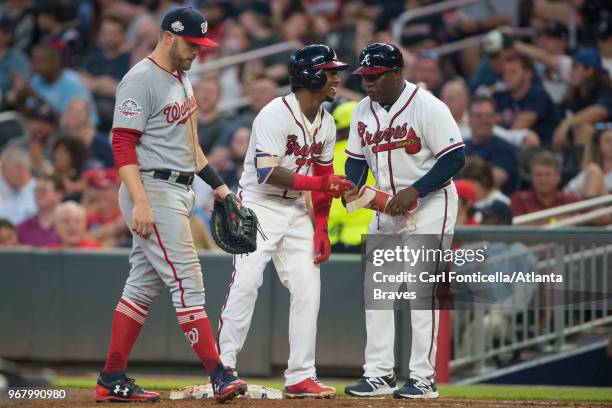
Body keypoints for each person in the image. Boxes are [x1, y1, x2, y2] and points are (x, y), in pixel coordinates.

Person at [96, 7, 247, 403]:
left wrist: (221, 190)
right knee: (188, 278)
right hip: (151, 188)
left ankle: (111, 378)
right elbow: (122, 144)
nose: (197, 51)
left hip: (178, 188)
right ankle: (218, 372)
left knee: (142, 288)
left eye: (201, 44)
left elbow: (190, 147)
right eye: (191, 43)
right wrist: (140, 202)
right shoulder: (140, 79)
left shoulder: (182, 79)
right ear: (167, 37)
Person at [216, 44, 352, 399]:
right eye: (330, 70)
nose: (337, 77)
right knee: (246, 282)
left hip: (295, 211)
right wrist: (319, 184)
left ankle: (301, 375)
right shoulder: (275, 114)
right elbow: (266, 172)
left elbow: (325, 178)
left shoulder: (324, 122)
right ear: (310, 76)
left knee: (309, 287)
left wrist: (321, 227)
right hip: (260, 204)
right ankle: (224, 366)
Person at [343, 43, 464, 399]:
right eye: (365, 76)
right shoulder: (363, 110)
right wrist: (353, 183)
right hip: (385, 206)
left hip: (431, 203)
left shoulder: (428, 106)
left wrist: (418, 190)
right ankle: (379, 374)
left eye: (376, 76)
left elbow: (455, 158)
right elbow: (355, 159)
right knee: (377, 291)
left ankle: (423, 379)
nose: (369, 83)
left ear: (397, 73)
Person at [493, 54, 560, 145]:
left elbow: (516, 131)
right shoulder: (502, 97)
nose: (507, 76)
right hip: (514, 148)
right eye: (505, 72)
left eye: (513, 72)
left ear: (529, 73)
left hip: (542, 151)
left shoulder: (538, 95)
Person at [464, 96, 518, 194]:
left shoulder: (504, 148)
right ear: (469, 119)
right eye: (479, 116)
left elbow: (489, 184)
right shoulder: (461, 147)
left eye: (489, 116)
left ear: (495, 119)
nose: (484, 121)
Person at [511, 150, 579, 224]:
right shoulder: (518, 200)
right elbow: (518, 229)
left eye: (548, 175)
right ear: (532, 177)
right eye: (539, 175)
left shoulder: (571, 201)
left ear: (558, 177)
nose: (543, 180)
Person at [16, 174, 64, 247]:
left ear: (59, 194)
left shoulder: (70, 225)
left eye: (43, 191)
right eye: (36, 191)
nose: (38, 195)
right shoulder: (21, 228)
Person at [565, 123, 612, 198]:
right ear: (598, 145)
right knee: (593, 170)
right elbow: (567, 191)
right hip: (590, 207)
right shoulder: (591, 170)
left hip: (607, 208)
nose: (611, 145)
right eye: (607, 141)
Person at [0, 146, 37, 225]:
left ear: (18, 168)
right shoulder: (9, 196)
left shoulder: (39, 192)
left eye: (4, 169)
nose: (2, 175)